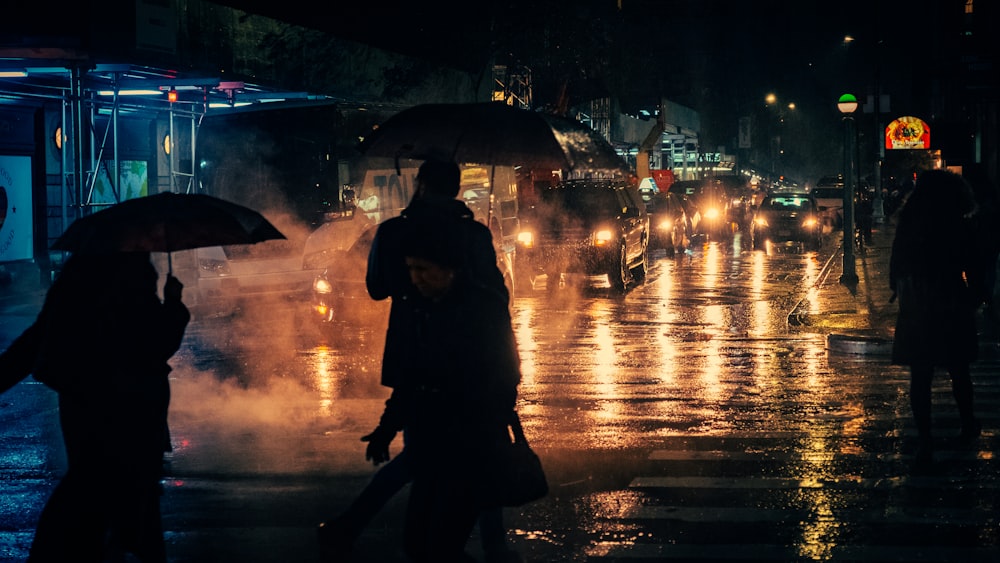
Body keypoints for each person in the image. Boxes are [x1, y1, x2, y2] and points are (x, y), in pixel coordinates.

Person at [317, 159, 519, 562]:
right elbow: (500, 302)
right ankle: (491, 546)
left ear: (421, 184)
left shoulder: (395, 232)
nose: (418, 278)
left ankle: (351, 526)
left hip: (423, 358)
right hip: (460, 370)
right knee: (466, 458)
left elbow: (376, 288)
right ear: (456, 187)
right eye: (413, 271)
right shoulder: (474, 236)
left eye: (423, 270)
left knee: (432, 457)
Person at [0, 251, 190, 562]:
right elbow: (157, 344)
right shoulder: (133, 272)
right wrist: (173, 305)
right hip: (135, 413)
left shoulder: (75, 278)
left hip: (83, 406)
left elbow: (36, 340)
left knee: (88, 496)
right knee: (128, 500)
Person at [888, 169, 982, 467]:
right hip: (952, 301)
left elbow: (895, 270)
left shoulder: (909, 222)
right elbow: (974, 264)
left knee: (921, 375)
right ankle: (967, 424)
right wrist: (975, 298)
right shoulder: (958, 224)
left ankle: (925, 440)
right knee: (959, 370)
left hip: (918, 305)